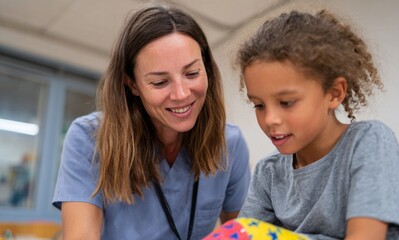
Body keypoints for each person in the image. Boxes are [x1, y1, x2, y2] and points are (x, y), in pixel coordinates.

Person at [52, 5, 251, 240]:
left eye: (192, 74)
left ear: (207, 69)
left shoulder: (230, 144)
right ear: (132, 84)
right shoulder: (88, 139)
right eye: (159, 82)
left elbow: (244, 232)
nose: (181, 94)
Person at [235, 10, 399, 239]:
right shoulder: (268, 172)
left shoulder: (368, 142)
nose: (270, 119)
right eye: (259, 105)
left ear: (334, 93)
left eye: (286, 102)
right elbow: (241, 235)